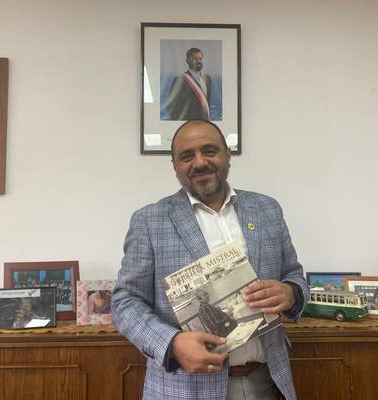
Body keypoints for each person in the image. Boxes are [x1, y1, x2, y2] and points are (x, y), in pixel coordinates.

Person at [112, 119, 309, 400]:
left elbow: (294, 275)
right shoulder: (149, 220)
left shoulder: (267, 209)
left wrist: (291, 293)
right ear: (175, 166)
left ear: (227, 154)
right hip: (184, 389)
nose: (200, 162)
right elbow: (125, 302)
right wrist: (171, 343)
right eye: (187, 156)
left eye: (209, 151)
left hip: (267, 381)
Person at [166, 48, 211, 120]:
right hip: (189, 123)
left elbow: (207, 105)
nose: (198, 61)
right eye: (195, 59)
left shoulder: (207, 79)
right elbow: (171, 107)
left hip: (204, 123)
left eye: (200, 59)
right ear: (187, 61)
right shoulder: (180, 80)